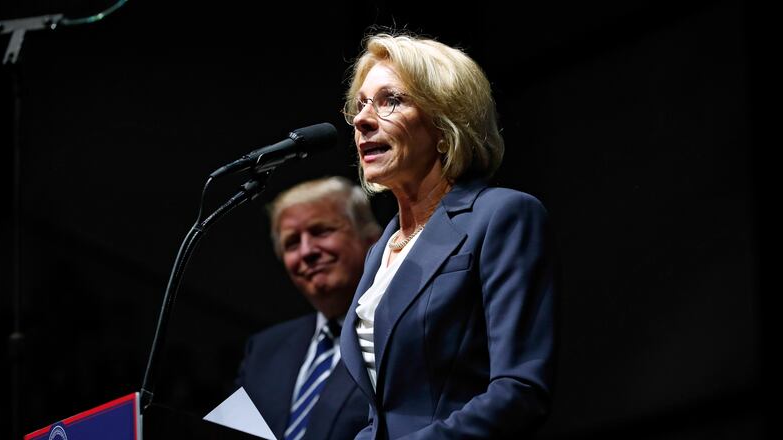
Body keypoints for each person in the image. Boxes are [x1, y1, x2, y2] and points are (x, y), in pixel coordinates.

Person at [337, 32, 558, 439]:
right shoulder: (380, 251)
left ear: (445, 125)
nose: (364, 120)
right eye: (362, 104)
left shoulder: (502, 216)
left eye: (391, 100)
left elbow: (520, 391)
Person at [235, 176, 382, 440]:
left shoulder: (400, 330)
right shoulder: (264, 349)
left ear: (372, 238)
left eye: (321, 231)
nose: (307, 251)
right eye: (291, 243)